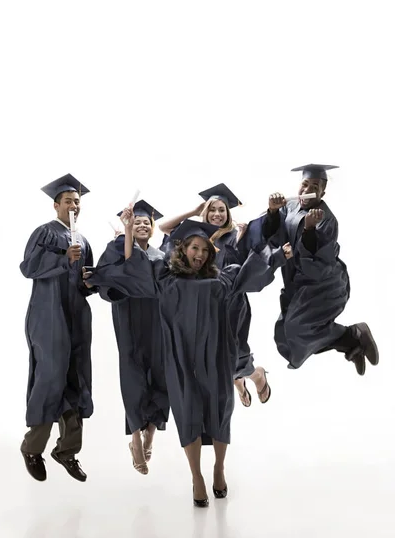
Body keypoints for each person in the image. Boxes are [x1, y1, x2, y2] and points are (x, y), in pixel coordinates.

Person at [87, 209, 292, 506]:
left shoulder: (221, 281)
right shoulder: (165, 279)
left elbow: (249, 273)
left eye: (204, 249)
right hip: (181, 359)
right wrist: (116, 250)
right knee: (186, 409)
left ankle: (219, 467)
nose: (199, 253)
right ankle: (196, 476)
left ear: (211, 254)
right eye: (194, 247)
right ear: (182, 250)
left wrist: (277, 257)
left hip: (215, 357)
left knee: (220, 408)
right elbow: (133, 267)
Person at [238, 163, 379, 375]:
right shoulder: (291, 206)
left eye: (314, 186)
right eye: (304, 184)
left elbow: (319, 261)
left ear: (323, 191)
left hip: (322, 285)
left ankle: (353, 335)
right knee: (287, 339)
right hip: (297, 283)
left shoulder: (326, 218)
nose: (307, 190)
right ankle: (351, 343)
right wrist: (273, 212)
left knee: (297, 330)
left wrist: (310, 228)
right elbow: (271, 233)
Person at [158, 183, 271, 407]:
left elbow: (247, 263)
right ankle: (237, 379)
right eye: (212, 209)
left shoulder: (236, 234)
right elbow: (163, 227)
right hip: (203, 304)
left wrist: (241, 237)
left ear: (228, 213)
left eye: (222, 210)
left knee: (235, 351)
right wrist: (193, 212)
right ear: (205, 212)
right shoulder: (194, 236)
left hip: (232, 303)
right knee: (211, 356)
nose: (217, 214)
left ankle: (256, 375)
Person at [19, 173, 96, 482]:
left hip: (76, 316)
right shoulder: (45, 233)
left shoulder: (84, 240)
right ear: (56, 205)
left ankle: (67, 451)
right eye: (68, 202)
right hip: (48, 315)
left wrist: (90, 280)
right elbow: (29, 267)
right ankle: (32, 448)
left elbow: (81, 281)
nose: (74, 206)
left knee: (76, 377)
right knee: (51, 377)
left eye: (77, 202)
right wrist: (64, 258)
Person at [90, 200, 169, 476]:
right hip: (128, 316)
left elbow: (168, 287)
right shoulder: (115, 248)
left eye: (147, 222)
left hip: (157, 318)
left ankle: (151, 432)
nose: (143, 225)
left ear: (153, 227)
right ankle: (135, 437)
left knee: (160, 374)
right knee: (133, 372)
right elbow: (104, 278)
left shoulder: (161, 255)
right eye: (137, 222)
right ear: (129, 226)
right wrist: (127, 281)